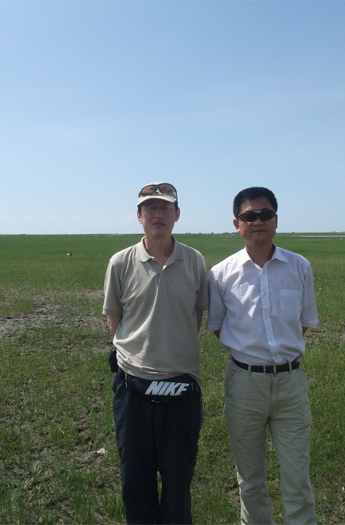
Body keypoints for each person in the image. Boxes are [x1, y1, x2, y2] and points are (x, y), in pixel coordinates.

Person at [207, 187, 319, 525]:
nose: (258, 221)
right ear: (236, 224)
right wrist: (251, 354)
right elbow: (218, 326)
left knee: (298, 479)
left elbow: (303, 323)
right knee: (250, 481)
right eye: (249, 216)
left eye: (265, 214)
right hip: (244, 385)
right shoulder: (221, 274)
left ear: (276, 220)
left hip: (291, 384)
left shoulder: (299, 267)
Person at [103, 182, 208, 524]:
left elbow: (196, 316)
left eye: (165, 207)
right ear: (139, 216)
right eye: (150, 207)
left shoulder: (195, 261)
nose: (158, 214)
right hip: (131, 389)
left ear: (177, 214)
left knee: (178, 485)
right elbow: (114, 320)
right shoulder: (120, 263)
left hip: (182, 388)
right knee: (136, 483)